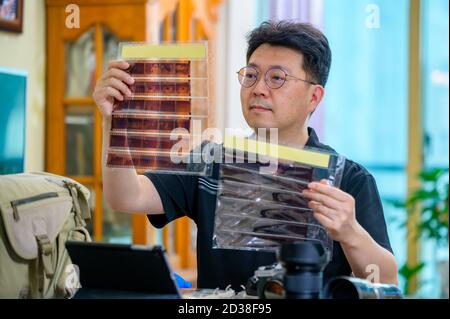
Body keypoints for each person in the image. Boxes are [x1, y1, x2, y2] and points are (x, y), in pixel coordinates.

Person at [93, 20, 398, 290]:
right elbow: (127, 197)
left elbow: (384, 283)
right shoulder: (211, 161)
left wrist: (350, 232)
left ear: (313, 97)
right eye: (251, 75)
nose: (259, 88)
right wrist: (114, 121)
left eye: (277, 78)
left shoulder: (348, 179)